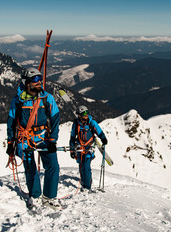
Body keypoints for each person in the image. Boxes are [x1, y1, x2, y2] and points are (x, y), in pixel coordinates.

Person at [6, 67, 61, 210]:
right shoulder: (18, 101)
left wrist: (53, 139)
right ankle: (35, 196)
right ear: (27, 82)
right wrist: (11, 142)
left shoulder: (47, 98)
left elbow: (55, 118)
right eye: (35, 80)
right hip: (25, 138)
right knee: (30, 167)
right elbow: (11, 122)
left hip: (43, 136)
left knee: (53, 165)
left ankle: (49, 197)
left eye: (40, 79)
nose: (39, 83)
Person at [69, 105, 108, 191]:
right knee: (81, 164)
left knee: (86, 166)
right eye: (83, 113)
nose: (86, 115)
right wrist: (72, 151)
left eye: (87, 113)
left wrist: (103, 138)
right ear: (79, 115)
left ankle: (87, 186)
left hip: (89, 148)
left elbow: (99, 131)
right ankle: (84, 180)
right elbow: (72, 137)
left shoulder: (92, 123)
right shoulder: (76, 124)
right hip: (79, 148)